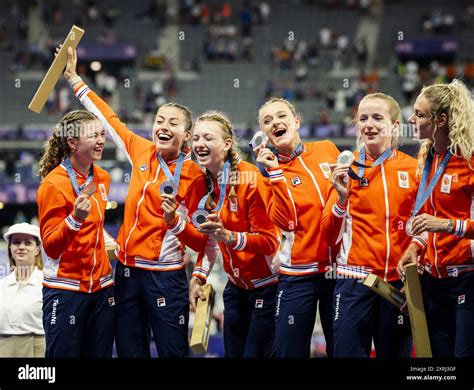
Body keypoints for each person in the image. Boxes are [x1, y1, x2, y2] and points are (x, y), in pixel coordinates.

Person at [60, 46, 210, 357]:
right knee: (130, 352)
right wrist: (75, 78)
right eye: (159, 120)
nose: (163, 127)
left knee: (173, 353)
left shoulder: (197, 176)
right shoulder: (140, 150)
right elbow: (108, 116)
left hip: (166, 277)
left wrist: (178, 227)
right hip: (126, 273)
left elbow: (205, 242)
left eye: (173, 123)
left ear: (187, 134)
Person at [162, 111, 280, 357]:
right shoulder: (199, 185)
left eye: (208, 138)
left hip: (267, 288)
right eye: (195, 138)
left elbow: (270, 242)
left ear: (227, 144)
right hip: (235, 289)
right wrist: (198, 278)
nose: (199, 144)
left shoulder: (251, 178)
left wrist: (229, 236)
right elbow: (208, 244)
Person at [322, 93, 416, 357]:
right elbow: (329, 235)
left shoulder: (413, 169)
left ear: (395, 126)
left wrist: (416, 279)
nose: (369, 124)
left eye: (377, 117)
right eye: (363, 118)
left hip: (396, 285)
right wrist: (341, 199)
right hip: (354, 282)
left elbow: (422, 231)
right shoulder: (345, 168)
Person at [254, 97, 340, 357]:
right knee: (290, 351)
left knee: (344, 349)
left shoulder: (327, 148)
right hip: (297, 274)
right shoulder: (265, 174)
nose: (275, 123)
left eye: (281, 116)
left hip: (338, 270)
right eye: (267, 121)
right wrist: (275, 175)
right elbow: (285, 221)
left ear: (296, 122)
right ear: (264, 135)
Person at [397, 79, 474, 357]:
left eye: (419, 114)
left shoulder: (470, 159)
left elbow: (439, 220)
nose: (411, 118)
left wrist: (446, 225)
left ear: (441, 120)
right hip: (432, 282)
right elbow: (428, 217)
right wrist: (415, 245)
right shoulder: (426, 155)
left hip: (466, 278)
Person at [37, 110, 114, 357]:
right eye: (94, 135)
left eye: (103, 134)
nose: (101, 140)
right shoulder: (53, 184)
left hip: (102, 288)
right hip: (66, 288)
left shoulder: (103, 177)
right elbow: (50, 246)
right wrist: (74, 220)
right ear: (72, 142)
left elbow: (96, 229)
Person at [0, 223, 45, 357]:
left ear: (37, 249)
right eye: (16, 242)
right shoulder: (2, 285)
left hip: (37, 348)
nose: (21, 247)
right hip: (4, 348)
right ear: (10, 248)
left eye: (27, 243)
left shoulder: (46, 285)